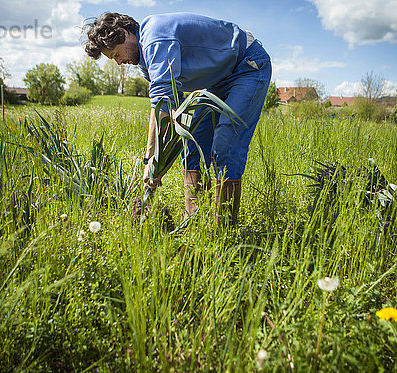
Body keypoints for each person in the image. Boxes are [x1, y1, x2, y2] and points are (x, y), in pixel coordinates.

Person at [83, 12, 271, 226]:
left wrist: (152, 158)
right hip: (218, 80)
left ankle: (224, 231)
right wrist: (154, 162)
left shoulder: (155, 38)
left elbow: (162, 104)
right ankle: (192, 221)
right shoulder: (145, 61)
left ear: (124, 33)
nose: (118, 62)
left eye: (115, 54)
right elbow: (169, 108)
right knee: (191, 141)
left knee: (225, 145)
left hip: (247, 66)